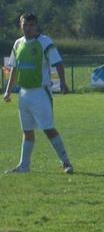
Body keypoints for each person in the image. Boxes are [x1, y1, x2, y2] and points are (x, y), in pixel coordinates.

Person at [3, 12, 73, 174]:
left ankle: (66, 162)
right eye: (25, 25)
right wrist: (8, 91)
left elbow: (58, 63)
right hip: (24, 94)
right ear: (20, 26)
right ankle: (24, 166)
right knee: (27, 131)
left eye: (32, 25)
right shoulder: (18, 43)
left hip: (40, 92)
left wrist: (63, 83)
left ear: (36, 26)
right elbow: (14, 69)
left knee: (48, 129)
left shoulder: (45, 42)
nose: (28, 28)